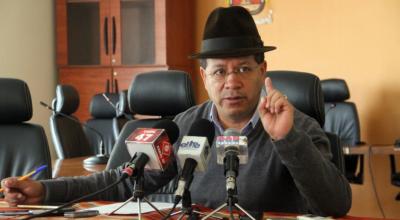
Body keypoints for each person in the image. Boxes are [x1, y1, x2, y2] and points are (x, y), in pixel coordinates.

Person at [1, 6, 351, 217]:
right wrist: (44, 192)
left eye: (243, 69)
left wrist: (286, 139)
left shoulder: (296, 126)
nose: (231, 82)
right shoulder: (188, 127)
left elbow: (335, 204)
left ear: (263, 70)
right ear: (204, 76)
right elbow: (124, 183)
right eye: (219, 71)